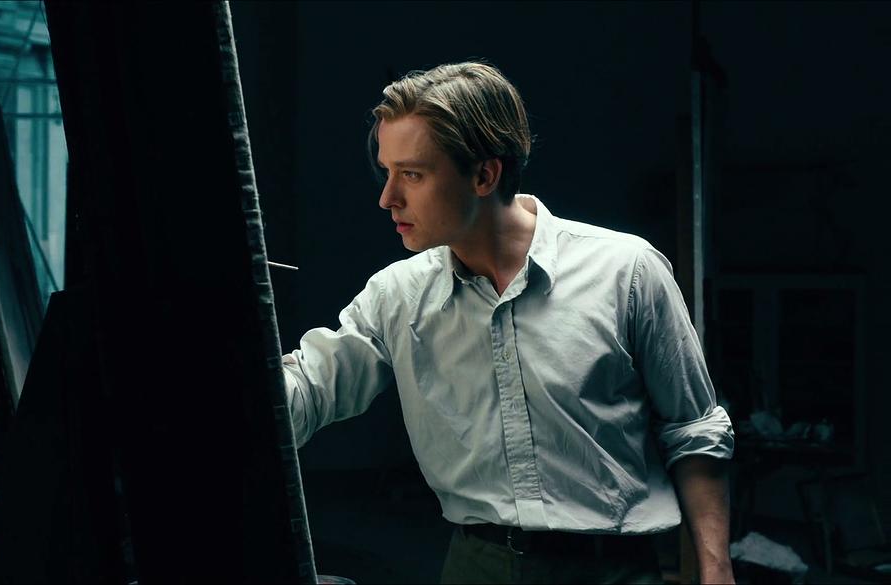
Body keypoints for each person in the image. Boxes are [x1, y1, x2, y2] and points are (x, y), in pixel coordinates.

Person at [280, 61, 735, 584]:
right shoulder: (396, 295)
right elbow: (305, 392)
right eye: (386, 172)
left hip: (613, 569)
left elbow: (693, 430)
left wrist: (716, 570)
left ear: (484, 175)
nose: (388, 198)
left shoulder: (627, 271)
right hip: (478, 566)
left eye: (412, 174)